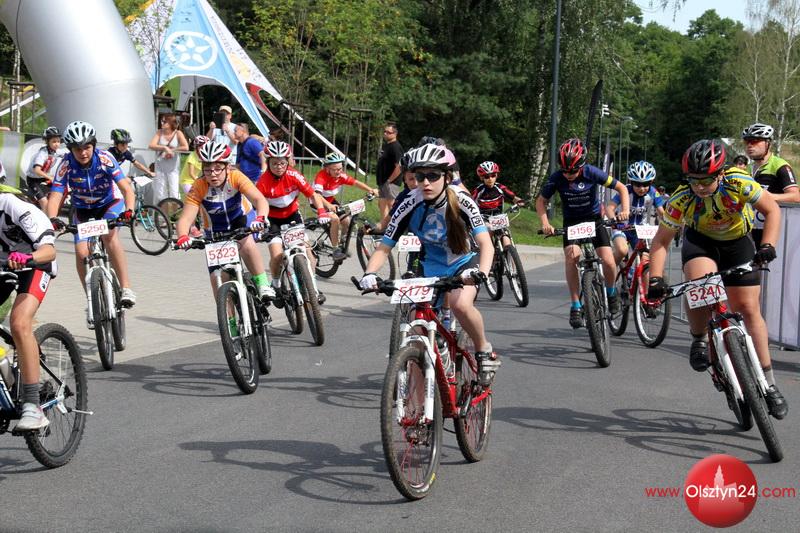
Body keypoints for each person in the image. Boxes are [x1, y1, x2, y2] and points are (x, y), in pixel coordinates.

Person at [646, 139, 787, 420]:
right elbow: (661, 242)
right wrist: (655, 278)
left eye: (706, 180)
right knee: (699, 284)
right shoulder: (681, 198)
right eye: (693, 180)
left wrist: (768, 246)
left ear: (721, 173)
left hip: (737, 242)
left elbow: (772, 210)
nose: (699, 186)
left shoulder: (739, 182)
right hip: (702, 243)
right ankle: (699, 338)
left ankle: (769, 384)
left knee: (748, 309)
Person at [359, 143, 500, 386]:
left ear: (447, 177)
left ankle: (483, 349)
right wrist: (369, 274)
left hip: (463, 263)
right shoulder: (409, 202)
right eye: (420, 176)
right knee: (416, 331)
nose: (425, 182)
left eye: (433, 176)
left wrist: (481, 273)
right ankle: (414, 403)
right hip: (429, 266)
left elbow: (486, 244)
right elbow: (384, 247)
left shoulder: (462, 200)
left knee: (460, 304)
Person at [47, 120, 137, 328]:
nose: (83, 152)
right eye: (77, 149)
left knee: (109, 235)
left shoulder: (105, 158)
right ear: (70, 150)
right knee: (81, 253)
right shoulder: (66, 164)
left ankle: (126, 287)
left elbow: (126, 189)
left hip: (109, 204)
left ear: (94, 145)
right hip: (83, 210)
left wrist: (129, 210)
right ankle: (91, 301)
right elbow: (56, 195)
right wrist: (52, 219)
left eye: (87, 147)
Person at [535, 138, 630, 328]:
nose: (568, 175)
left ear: (582, 165)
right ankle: (575, 305)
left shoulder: (591, 172)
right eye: (565, 171)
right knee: (572, 258)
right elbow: (540, 201)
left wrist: (625, 210)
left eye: (573, 171)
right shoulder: (557, 178)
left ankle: (611, 292)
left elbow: (621, 188)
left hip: (594, 219)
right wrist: (545, 223)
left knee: (608, 260)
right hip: (572, 222)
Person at [174, 141, 274, 301]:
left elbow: (259, 199)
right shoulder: (199, 186)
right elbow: (185, 218)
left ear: (227, 167)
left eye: (217, 168)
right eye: (207, 169)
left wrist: (261, 217)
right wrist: (182, 236)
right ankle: (228, 315)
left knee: (247, 244)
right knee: (218, 280)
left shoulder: (235, 176)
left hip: (240, 220)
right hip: (214, 230)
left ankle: (263, 284)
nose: (212, 174)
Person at [0, 185, 57, 430]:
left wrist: (28, 257)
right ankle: (9, 379)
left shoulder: (12, 205)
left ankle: (33, 406)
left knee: (19, 322)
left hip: (33, 266)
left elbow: (49, 250)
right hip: (3, 269)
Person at [256, 140, 327, 305]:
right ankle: (276, 284)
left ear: (287, 162)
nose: (279, 167)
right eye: (274, 163)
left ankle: (313, 287)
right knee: (277, 256)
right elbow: (258, 204)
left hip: (292, 215)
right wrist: (259, 222)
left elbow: (313, 195)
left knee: (308, 253)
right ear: (268, 163)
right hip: (272, 219)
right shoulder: (263, 181)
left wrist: (322, 211)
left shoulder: (294, 175)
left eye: (282, 163)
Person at [741, 122, 800, 245]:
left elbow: (796, 196)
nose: (750, 145)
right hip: (751, 229)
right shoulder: (749, 168)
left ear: (768, 143)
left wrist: (769, 197)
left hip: (772, 230)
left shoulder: (779, 166)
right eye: (747, 141)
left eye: (755, 141)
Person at [314, 152, 378, 261]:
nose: (339, 171)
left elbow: (356, 183)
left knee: (346, 220)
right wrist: (328, 205)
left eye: (340, 168)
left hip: (331, 201)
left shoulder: (340, 175)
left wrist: (371, 190)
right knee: (335, 219)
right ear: (327, 169)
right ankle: (335, 250)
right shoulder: (321, 176)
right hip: (318, 202)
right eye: (335, 169)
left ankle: (342, 242)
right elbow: (317, 195)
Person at [607, 161, 665, 265]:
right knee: (622, 250)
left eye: (646, 184)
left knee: (645, 259)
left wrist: (671, 224)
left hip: (640, 230)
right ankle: (609, 272)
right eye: (637, 184)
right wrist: (613, 220)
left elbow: (661, 213)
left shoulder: (653, 192)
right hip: (621, 227)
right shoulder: (625, 190)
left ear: (651, 182)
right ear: (631, 182)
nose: (641, 188)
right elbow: (609, 208)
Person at [148, 113, 189, 203]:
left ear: (171, 123)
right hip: (160, 167)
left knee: (174, 193)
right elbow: (151, 145)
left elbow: (186, 147)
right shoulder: (159, 132)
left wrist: (172, 150)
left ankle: (173, 211)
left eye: (164, 121)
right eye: (161, 121)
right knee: (160, 193)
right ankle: (162, 211)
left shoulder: (178, 133)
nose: (162, 123)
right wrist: (164, 148)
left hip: (173, 168)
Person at [25, 127, 67, 212]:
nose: (57, 144)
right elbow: (37, 170)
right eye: (54, 142)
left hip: (43, 178)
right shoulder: (42, 153)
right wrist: (50, 177)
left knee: (58, 191)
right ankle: (47, 218)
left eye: (58, 141)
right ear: (47, 142)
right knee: (44, 202)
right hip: (33, 180)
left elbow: (67, 155)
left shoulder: (56, 151)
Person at [376, 122, 403, 220]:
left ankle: (395, 225)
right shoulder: (387, 145)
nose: (385, 134)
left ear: (395, 134)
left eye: (388, 132)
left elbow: (399, 166)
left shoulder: (396, 147)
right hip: (382, 182)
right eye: (385, 131)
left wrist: (390, 180)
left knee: (392, 205)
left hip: (391, 183)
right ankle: (384, 226)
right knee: (382, 204)